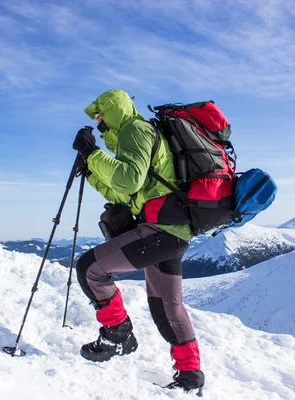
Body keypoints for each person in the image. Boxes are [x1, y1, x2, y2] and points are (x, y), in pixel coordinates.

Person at [72, 89, 205, 392]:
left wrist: (93, 154)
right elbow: (124, 194)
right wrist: (92, 171)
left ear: (112, 110)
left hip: (162, 229)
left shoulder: (135, 129)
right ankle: (190, 377)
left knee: (91, 269)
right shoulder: (135, 137)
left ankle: (118, 335)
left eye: (99, 114)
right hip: (172, 230)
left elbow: (128, 179)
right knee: (167, 307)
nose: (98, 121)